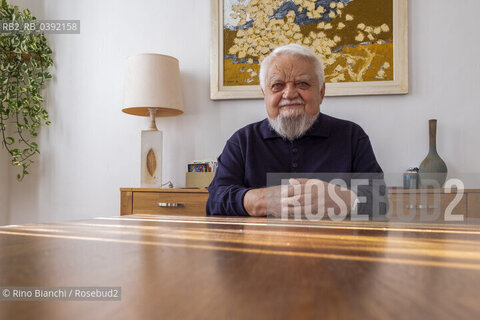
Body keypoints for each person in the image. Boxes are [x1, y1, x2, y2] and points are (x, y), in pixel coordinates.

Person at [206, 44, 388, 218]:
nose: (289, 94)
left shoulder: (352, 136)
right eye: (277, 85)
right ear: (265, 95)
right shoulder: (242, 141)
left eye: (302, 84)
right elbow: (214, 201)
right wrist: (261, 201)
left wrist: (344, 200)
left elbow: (380, 201)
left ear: (322, 92)